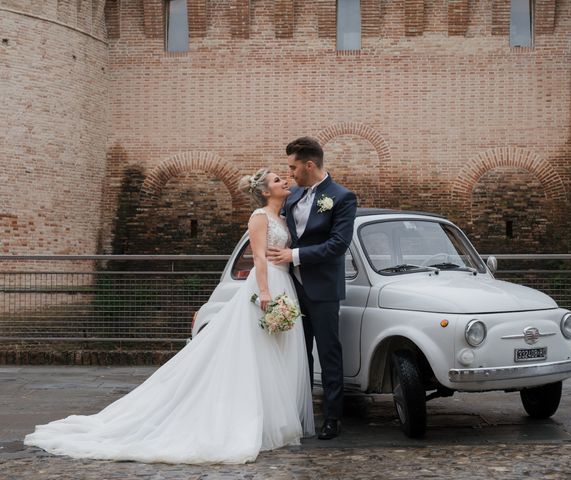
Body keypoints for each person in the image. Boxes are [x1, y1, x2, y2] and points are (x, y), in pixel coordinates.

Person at [24, 169, 315, 464]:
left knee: (277, 351)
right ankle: (249, 419)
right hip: (265, 287)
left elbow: (282, 253)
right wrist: (264, 292)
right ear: (265, 191)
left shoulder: (282, 218)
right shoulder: (259, 217)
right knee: (256, 353)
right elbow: (259, 257)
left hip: (284, 284)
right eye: (279, 180)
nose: (285, 182)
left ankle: (272, 417)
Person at [268, 137, 357, 440]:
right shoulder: (291, 197)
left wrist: (292, 256)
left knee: (329, 352)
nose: (289, 174)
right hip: (292, 288)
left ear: (309, 164)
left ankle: (332, 418)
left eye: (293, 167)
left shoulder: (342, 197)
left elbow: (338, 245)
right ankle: (300, 412)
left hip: (323, 289)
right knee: (297, 353)